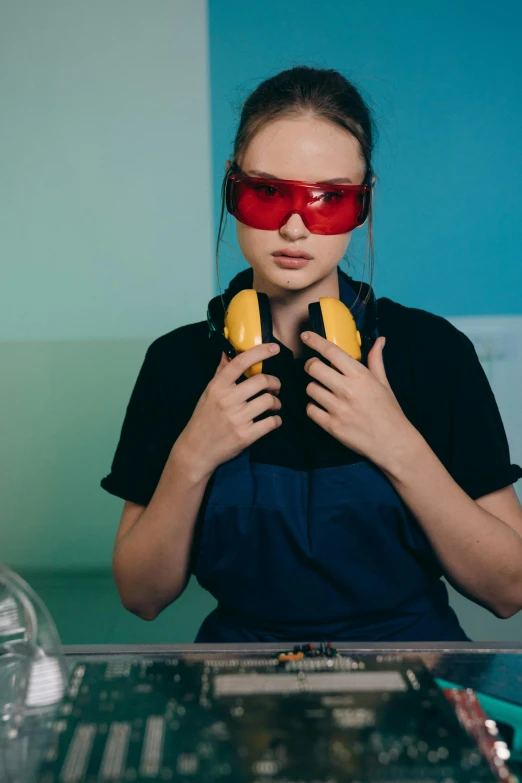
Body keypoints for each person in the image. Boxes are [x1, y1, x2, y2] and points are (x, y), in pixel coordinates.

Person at [101, 66, 522, 643]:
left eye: (329, 198)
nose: (296, 227)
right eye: (269, 191)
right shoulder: (176, 362)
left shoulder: (434, 352)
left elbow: (510, 590)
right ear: (232, 187)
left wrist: (395, 442)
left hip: (415, 666)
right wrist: (192, 455)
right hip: (239, 679)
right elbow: (142, 596)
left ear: (364, 203)